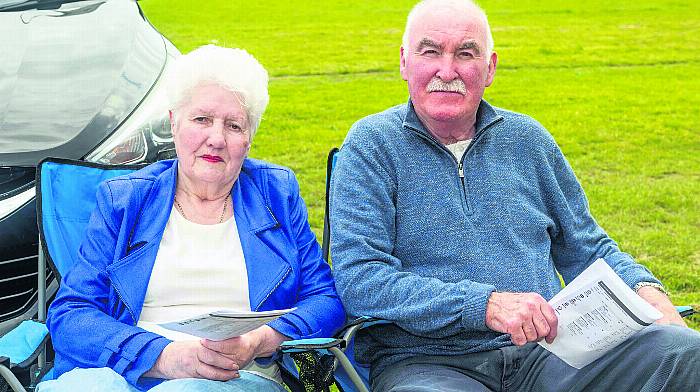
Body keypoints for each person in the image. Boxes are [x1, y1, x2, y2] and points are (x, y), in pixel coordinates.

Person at [329, 1, 700, 391]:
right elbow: (361, 279)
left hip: (549, 355)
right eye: (431, 51)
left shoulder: (528, 140)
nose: (447, 70)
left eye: (466, 53)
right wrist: (484, 306)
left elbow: (587, 248)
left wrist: (647, 291)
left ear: (489, 68)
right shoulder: (371, 146)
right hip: (427, 363)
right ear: (405, 62)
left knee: (686, 352)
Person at [38, 45, 344, 392]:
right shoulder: (125, 199)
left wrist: (259, 341)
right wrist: (163, 356)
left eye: (233, 125)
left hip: (235, 377)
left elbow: (325, 299)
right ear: (174, 123)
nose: (216, 139)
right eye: (202, 120)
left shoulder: (276, 193)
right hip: (131, 368)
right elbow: (72, 315)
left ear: (249, 138)